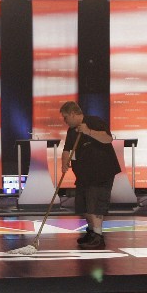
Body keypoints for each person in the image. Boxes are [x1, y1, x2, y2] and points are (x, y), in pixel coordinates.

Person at [60, 101, 120, 249]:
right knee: (83, 206)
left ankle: (99, 237)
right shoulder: (71, 131)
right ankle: (92, 232)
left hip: (100, 172)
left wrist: (88, 131)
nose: (65, 121)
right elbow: (67, 149)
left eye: (66, 117)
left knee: (95, 204)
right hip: (84, 175)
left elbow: (108, 138)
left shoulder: (94, 121)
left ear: (73, 114)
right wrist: (64, 162)